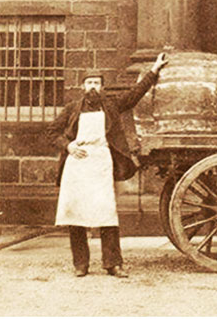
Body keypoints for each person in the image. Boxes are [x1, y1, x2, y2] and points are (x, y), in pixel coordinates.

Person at [46, 52, 168, 277]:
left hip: (101, 162)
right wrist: (68, 146)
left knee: (107, 213)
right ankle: (80, 265)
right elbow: (52, 131)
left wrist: (154, 70)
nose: (93, 87)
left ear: (102, 87)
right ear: (83, 86)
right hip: (77, 163)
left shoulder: (111, 106)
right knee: (76, 215)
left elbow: (134, 95)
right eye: (89, 83)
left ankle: (113, 264)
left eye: (97, 83)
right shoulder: (72, 109)